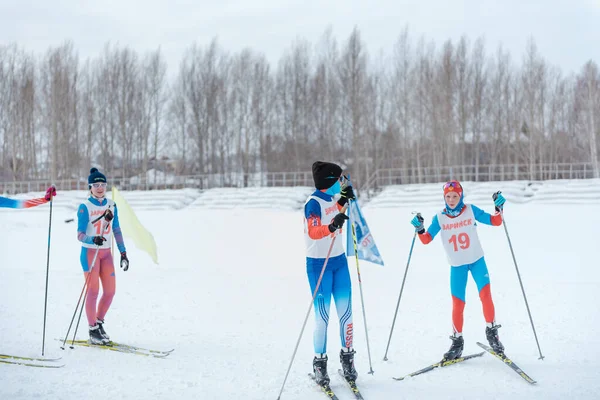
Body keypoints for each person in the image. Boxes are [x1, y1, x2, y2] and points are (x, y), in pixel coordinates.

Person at [410, 180, 507, 360]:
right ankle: (457, 343)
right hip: (457, 266)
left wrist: (498, 207)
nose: (452, 199)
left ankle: (493, 335)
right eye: (448, 196)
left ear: (461, 195)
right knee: (458, 304)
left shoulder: (470, 210)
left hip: (477, 261)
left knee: (485, 296)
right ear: (444, 197)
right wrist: (419, 228)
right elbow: (426, 239)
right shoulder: (440, 217)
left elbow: (495, 221)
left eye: (455, 196)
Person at [304, 161, 357, 386]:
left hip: (339, 262)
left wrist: (347, 195)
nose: (340, 182)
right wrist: (332, 227)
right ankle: (319, 364)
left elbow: (339, 206)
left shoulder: (333, 199)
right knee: (322, 318)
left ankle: (347, 360)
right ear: (328, 181)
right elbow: (314, 231)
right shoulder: (312, 203)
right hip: (319, 266)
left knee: (346, 314)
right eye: (338, 179)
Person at [77, 168, 129, 345]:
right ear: (90, 187)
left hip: (106, 254)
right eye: (96, 185)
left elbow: (116, 229)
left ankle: (98, 323)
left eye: (103, 185)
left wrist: (123, 252)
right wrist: (93, 238)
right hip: (90, 253)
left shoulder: (112, 205)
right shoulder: (85, 207)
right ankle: (92, 330)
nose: (100, 188)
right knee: (93, 291)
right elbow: (80, 235)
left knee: (110, 292)